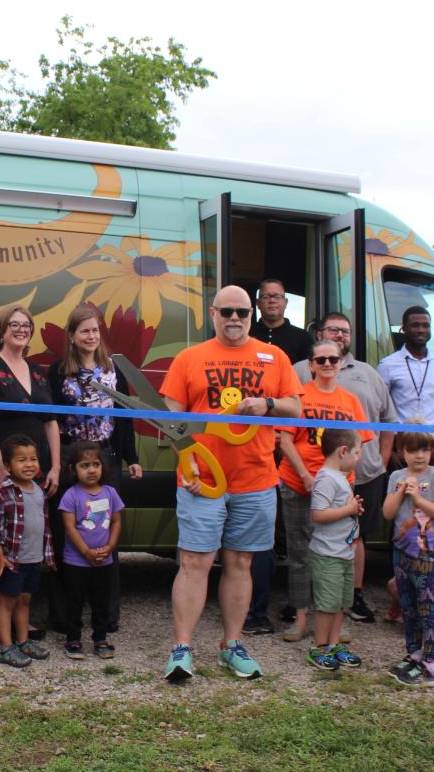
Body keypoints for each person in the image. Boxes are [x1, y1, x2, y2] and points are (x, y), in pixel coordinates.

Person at [159, 285, 302, 683]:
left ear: (252, 315)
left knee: (241, 562)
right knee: (194, 563)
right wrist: (186, 463)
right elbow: (172, 423)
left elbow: (296, 406)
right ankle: (182, 648)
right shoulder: (190, 358)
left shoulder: (274, 357)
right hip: (201, 480)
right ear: (213, 314)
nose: (234, 318)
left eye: (242, 311)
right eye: (227, 312)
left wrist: (267, 404)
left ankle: (231, 646)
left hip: (255, 478)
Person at [292, 312, 397, 625]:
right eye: (333, 330)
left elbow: (385, 422)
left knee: (353, 538)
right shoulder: (298, 372)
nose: (340, 335)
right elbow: (286, 425)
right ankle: (304, 607)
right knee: (304, 541)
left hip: (357, 476)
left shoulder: (367, 374)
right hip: (306, 475)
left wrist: (380, 459)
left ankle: (353, 596)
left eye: (345, 331)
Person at [48, 303, 142, 635]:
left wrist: (132, 458)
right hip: (72, 458)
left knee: (105, 533)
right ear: (72, 336)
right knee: (67, 536)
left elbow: (124, 418)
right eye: (84, 330)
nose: (91, 336)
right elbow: (54, 421)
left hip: (105, 459)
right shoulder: (59, 371)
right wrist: (56, 464)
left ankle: (106, 615)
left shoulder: (113, 370)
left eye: (95, 331)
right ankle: (64, 616)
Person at [0, 304, 59, 642]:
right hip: (3, 473)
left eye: (26, 325)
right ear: (1, 330)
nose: (21, 329)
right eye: (14, 324)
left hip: (35, 471)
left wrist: (55, 466)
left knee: (28, 541)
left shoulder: (38, 372)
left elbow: (50, 420)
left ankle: (19, 620)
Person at [275, 339, 373, 644]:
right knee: (300, 554)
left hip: (340, 488)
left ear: (342, 362)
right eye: (321, 360)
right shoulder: (300, 398)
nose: (328, 364)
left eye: (334, 359)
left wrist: (343, 482)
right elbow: (285, 440)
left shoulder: (351, 401)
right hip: (298, 481)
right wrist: (306, 475)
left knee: (340, 551)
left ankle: (333, 622)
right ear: (311, 364)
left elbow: (359, 444)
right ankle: (301, 620)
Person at [383, 432, 434, 687]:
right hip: (401, 552)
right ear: (403, 453)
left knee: (428, 608)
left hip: (428, 556)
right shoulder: (396, 477)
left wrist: (420, 499)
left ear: (432, 452)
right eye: (413, 450)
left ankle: (432, 662)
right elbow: (388, 512)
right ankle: (414, 653)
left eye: (425, 450)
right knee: (408, 605)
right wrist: (402, 490)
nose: (420, 455)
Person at [0, 436, 54, 669]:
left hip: (33, 557)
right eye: (21, 460)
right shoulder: (3, 492)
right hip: (12, 560)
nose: (29, 464)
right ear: (7, 466)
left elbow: (43, 525)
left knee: (25, 600)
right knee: (7, 601)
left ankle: (23, 641)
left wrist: (48, 555)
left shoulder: (38, 490)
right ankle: (6, 647)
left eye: (33, 459)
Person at [58, 441, 125, 660]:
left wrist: (110, 547)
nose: (91, 470)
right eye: (84, 465)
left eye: (95, 464)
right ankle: (73, 640)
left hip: (104, 560)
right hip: (77, 561)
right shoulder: (71, 495)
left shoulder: (110, 493)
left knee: (101, 601)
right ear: (73, 470)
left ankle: (100, 638)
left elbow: (115, 521)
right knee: (75, 600)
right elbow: (69, 527)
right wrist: (86, 552)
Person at [306, 429, 366, 672]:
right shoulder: (326, 478)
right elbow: (318, 514)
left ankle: (333, 644)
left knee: (342, 602)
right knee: (327, 604)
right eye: (356, 452)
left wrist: (352, 508)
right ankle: (318, 647)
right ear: (343, 451)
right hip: (327, 554)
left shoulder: (341, 476)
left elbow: (338, 509)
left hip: (343, 553)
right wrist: (348, 510)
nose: (358, 457)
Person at [378, 306, 434, 427]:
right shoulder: (387, 365)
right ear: (404, 329)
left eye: (426, 325)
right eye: (415, 325)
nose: (421, 330)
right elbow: (381, 408)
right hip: (403, 441)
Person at [249, 279, 313, 364]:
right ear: (257, 303)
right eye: (266, 297)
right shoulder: (246, 334)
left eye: (277, 297)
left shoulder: (303, 337)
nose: (272, 301)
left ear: (285, 302)